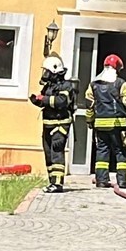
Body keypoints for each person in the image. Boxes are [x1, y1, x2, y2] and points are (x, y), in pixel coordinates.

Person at [85, 54, 126, 188]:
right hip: (118, 124)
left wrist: (89, 121)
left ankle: (101, 180)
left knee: (102, 152)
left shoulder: (93, 85)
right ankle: (122, 180)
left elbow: (89, 105)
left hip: (100, 125)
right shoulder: (121, 83)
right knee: (121, 151)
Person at [29, 56, 76, 194]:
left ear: (54, 70)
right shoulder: (48, 86)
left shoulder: (66, 86)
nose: (45, 74)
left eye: (47, 71)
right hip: (47, 125)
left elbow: (61, 101)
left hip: (60, 125)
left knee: (57, 153)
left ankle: (57, 183)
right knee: (49, 154)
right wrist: (36, 100)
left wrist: (44, 99)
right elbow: (44, 99)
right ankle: (51, 181)